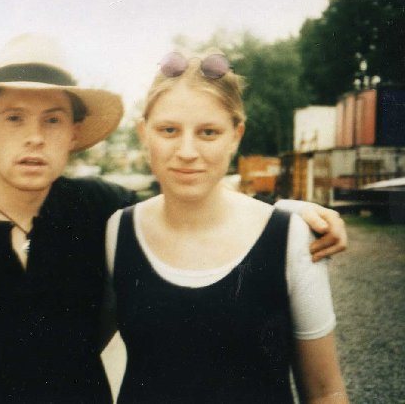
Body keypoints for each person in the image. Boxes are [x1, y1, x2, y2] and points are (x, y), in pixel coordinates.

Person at [0, 35, 347, 403]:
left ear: (74, 134)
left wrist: (289, 214)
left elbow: (184, 202)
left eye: (52, 119)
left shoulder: (100, 210)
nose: (34, 137)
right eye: (14, 118)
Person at [106, 50, 348, 403]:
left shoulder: (292, 238)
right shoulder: (118, 232)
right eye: (169, 130)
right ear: (144, 134)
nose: (187, 151)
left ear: (235, 136)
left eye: (208, 132)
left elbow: (326, 392)